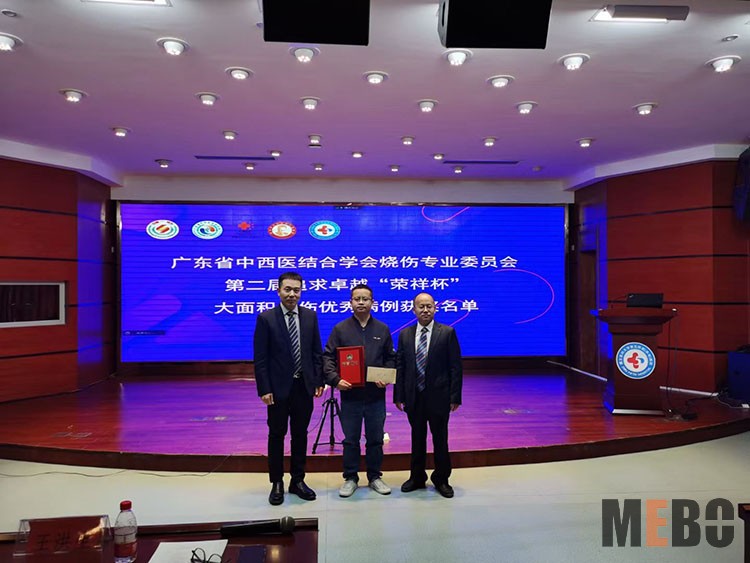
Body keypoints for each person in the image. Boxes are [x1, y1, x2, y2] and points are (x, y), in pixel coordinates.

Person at [254, 271, 324, 506]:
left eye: (296, 290)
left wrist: (318, 380)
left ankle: (298, 480)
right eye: (287, 289)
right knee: (276, 435)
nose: (292, 294)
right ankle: (277, 482)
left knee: (300, 435)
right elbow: (261, 358)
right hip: (277, 390)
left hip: (303, 387)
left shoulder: (310, 316)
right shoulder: (266, 318)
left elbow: (316, 352)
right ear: (278, 291)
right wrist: (264, 388)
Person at [323, 284, 396, 498]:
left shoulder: (382, 329)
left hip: (375, 396)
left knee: (375, 438)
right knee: (350, 440)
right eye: (357, 299)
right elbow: (328, 357)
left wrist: (386, 377)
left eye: (365, 299)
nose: (361, 302)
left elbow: (391, 358)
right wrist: (335, 379)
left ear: (373, 302)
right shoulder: (340, 329)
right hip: (350, 396)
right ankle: (351, 478)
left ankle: (374, 476)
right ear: (351, 302)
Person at [394, 292, 463, 498]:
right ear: (413, 309)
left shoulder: (447, 332)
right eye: (421, 306)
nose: (425, 310)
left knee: (440, 439)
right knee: (417, 438)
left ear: (435, 308)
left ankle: (441, 479)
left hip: (439, 397)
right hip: (414, 396)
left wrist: (455, 397)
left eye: (429, 306)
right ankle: (417, 477)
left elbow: (455, 367)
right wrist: (398, 395)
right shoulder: (405, 334)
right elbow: (400, 367)